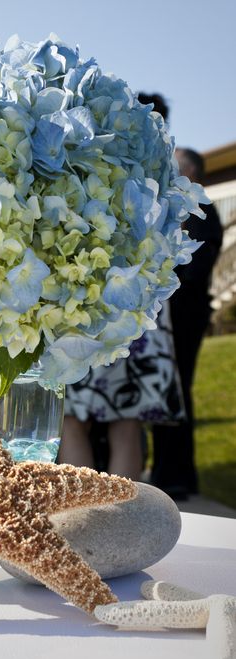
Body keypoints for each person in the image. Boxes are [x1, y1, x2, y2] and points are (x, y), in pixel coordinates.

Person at [58, 92, 184, 481]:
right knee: (126, 424)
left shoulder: (97, 155)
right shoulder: (166, 172)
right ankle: (118, 522)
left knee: (72, 420)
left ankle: (84, 518)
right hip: (141, 308)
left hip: (88, 300)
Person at [151, 148, 223, 499]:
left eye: (177, 161)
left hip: (184, 315)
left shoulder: (200, 210)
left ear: (191, 170)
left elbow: (193, 266)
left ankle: (175, 476)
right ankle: (174, 472)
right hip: (176, 314)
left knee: (175, 390)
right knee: (169, 391)